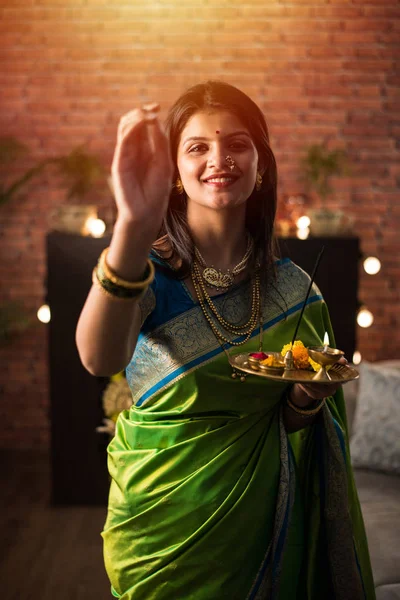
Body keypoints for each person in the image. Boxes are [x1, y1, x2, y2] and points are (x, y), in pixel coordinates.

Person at [76, 81, 375, 599]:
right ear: (174, 170)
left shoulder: (293, 289)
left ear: (261, 165)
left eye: (238, 144)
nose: (220, 158)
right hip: (164, 528)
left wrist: (307, 397)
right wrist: (132, 224)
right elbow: (98, 357)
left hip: (261, 523)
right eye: (197, 147)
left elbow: (287, 424)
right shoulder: (146, 272)